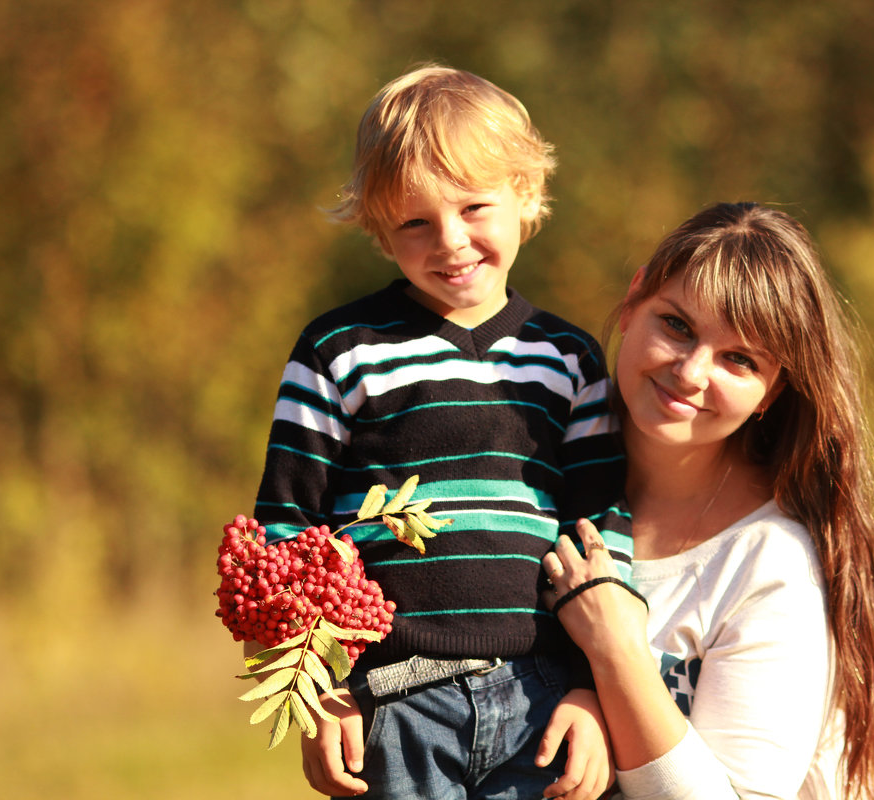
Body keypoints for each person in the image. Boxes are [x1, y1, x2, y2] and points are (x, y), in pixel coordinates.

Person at [247, 64, 632, 800]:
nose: (450, 241)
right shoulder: (339, 350)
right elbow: (286, 533)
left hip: (543, 695)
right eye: (414, 222)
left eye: (475, 207)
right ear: (379, 230)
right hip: (392, 696)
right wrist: (314, 689)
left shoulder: (569, 359)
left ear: (526, 196)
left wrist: (594, 691)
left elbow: (603, 531)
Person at [540, 202, 874, 799]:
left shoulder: (772, 562)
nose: (691, 371)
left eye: (739, 359)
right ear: (633, 301)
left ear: (771, 390)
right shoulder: (529, 470)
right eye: (677, 325)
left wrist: (617, 648)